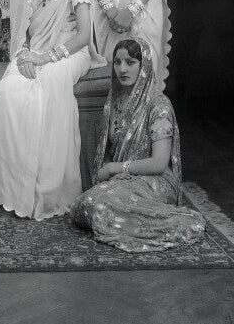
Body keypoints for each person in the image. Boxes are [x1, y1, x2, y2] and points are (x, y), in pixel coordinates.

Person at [0, 0, 106, 221]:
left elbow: (83, 35)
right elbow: (22, 33)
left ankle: (47, 190)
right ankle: (16, 190)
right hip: (34, 50)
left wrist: (46, 58)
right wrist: (25, 55)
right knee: (8, 90)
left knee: (46, 84)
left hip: (71, 52)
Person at [70, 38, 205, 252]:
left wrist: (116, 168)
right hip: (124, 179)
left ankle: (182, 221)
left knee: (101, 206)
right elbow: (108, 149)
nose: (122, 69)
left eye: (130, 62)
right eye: (117, 62)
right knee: (81, 206)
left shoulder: (158, 105)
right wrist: (113, 171)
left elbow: (159, 163)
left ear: (144, 66)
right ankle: (122, 217)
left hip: (155, 180)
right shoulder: (115, 100)